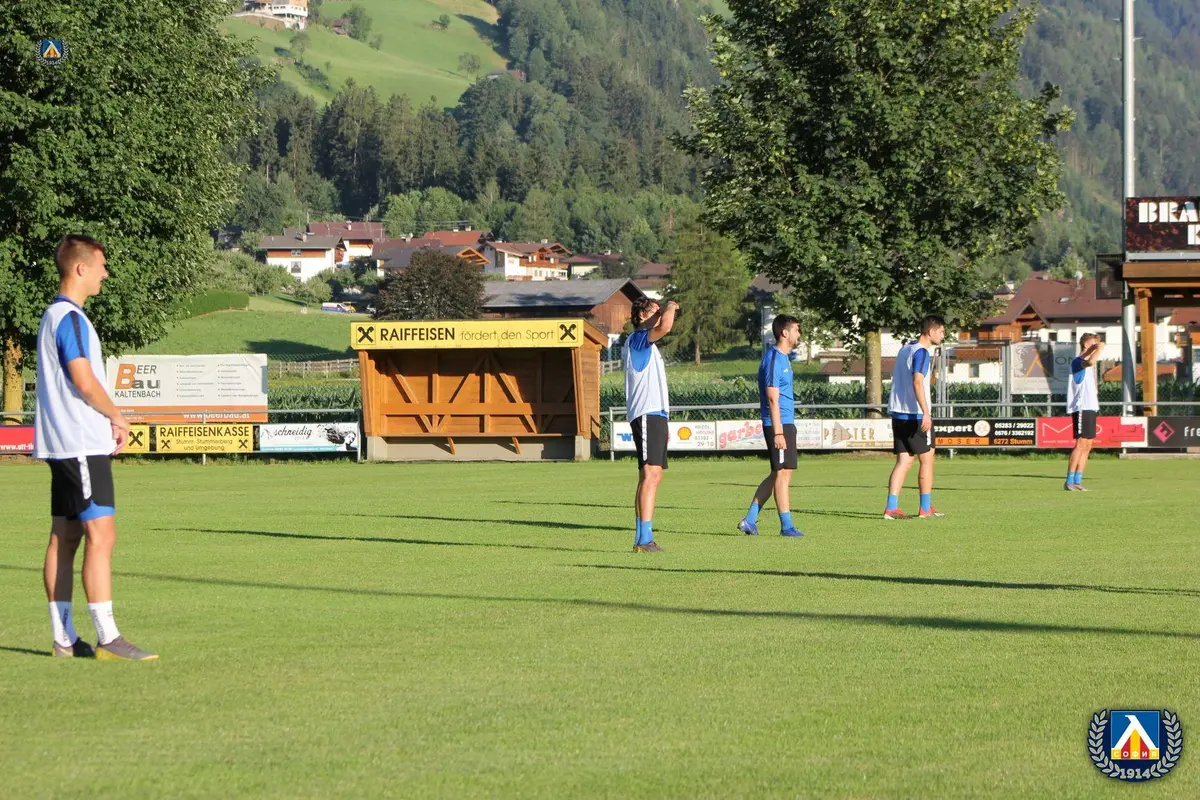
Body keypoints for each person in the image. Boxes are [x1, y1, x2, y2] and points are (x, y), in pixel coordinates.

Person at [34, 234, 158, 661]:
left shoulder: (53, 315)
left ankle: (64, 639)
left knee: (65, 537)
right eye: (102, 266)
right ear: (81, 267)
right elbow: (84, 381)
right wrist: (117, 417)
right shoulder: (70, 317)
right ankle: (108, 637)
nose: (106, 274)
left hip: (63, 445)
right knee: (101, 535)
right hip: (81, 443)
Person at [738, 314, 804, 537]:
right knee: (782, 474)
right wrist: (778, 432)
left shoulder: (784, 358)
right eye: (796, 329)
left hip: (785, 423)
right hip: (779, 425)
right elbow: (772, 399)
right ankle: (787, 526)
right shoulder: (774, 358)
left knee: (779, 473)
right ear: (784, 333)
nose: (799, 334)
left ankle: (750, 520)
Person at [624, 296, 677, 553]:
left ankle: (642, 538)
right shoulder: (638, 338)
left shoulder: (646, 343)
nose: (661, 315)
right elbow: (666, 326)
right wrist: (671, 306)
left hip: (655, 414)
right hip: (646, 412)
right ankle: (644, 539)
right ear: (643, 316)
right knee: (651, 475)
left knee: (652, 475)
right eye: (656, 311)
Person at [883, 315, 946, 520]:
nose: (943, 335)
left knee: (904, 461)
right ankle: (925, 508)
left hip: (898, 412)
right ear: (931, 331)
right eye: (941, 331)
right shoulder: (922, 352)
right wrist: (926, 412)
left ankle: (891, 508)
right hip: (915, 414)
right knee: (927, 460)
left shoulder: (905, 349)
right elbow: (917, 381)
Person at [1065, 333, 1101, 491]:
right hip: (1081, 407)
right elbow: (1090, 361)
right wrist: (1100, 349)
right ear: (1086, 345)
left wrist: (1095, 348)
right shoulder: (1078, 362)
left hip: (1091, 407)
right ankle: (1069, 481)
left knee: (1088, 445)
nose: (1096, 346)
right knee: (1080, 444)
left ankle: (1078, 481)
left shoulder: (1087, 362)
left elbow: (1091, 359)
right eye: (1093, 344)